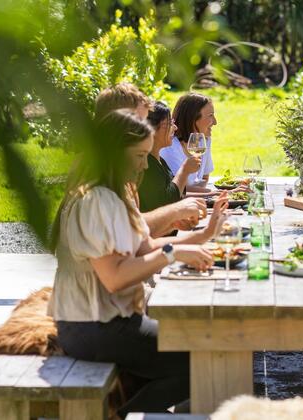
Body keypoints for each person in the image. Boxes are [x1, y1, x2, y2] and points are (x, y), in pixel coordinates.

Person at [48, 109, 214, 416]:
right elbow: (115, 277)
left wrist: (207, 234)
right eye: (138, 155)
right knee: (200, 361)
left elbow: (146, 245)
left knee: (201, 348)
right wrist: (173, 255)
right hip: (92, 326)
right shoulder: (95, 200)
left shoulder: (116, 193)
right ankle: (114, 416)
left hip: (108, 319)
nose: (144, 163)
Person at [138, 101, 230, 241]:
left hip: (169, 234)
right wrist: (185, 171)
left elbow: (179, 193)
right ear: (152, 130)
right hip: (159, 241)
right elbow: (167, 201)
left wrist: (214, 195)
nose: (175, 128)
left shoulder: (158, 161)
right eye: (169, 123)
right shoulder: (147, 166)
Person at [160, 93, 218, 194]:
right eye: (210, 115)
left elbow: (204, 177)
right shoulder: (170, 147)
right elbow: (177, 189)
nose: (215, 122)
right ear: (193, 119)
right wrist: (213, 192)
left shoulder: (204, 140)